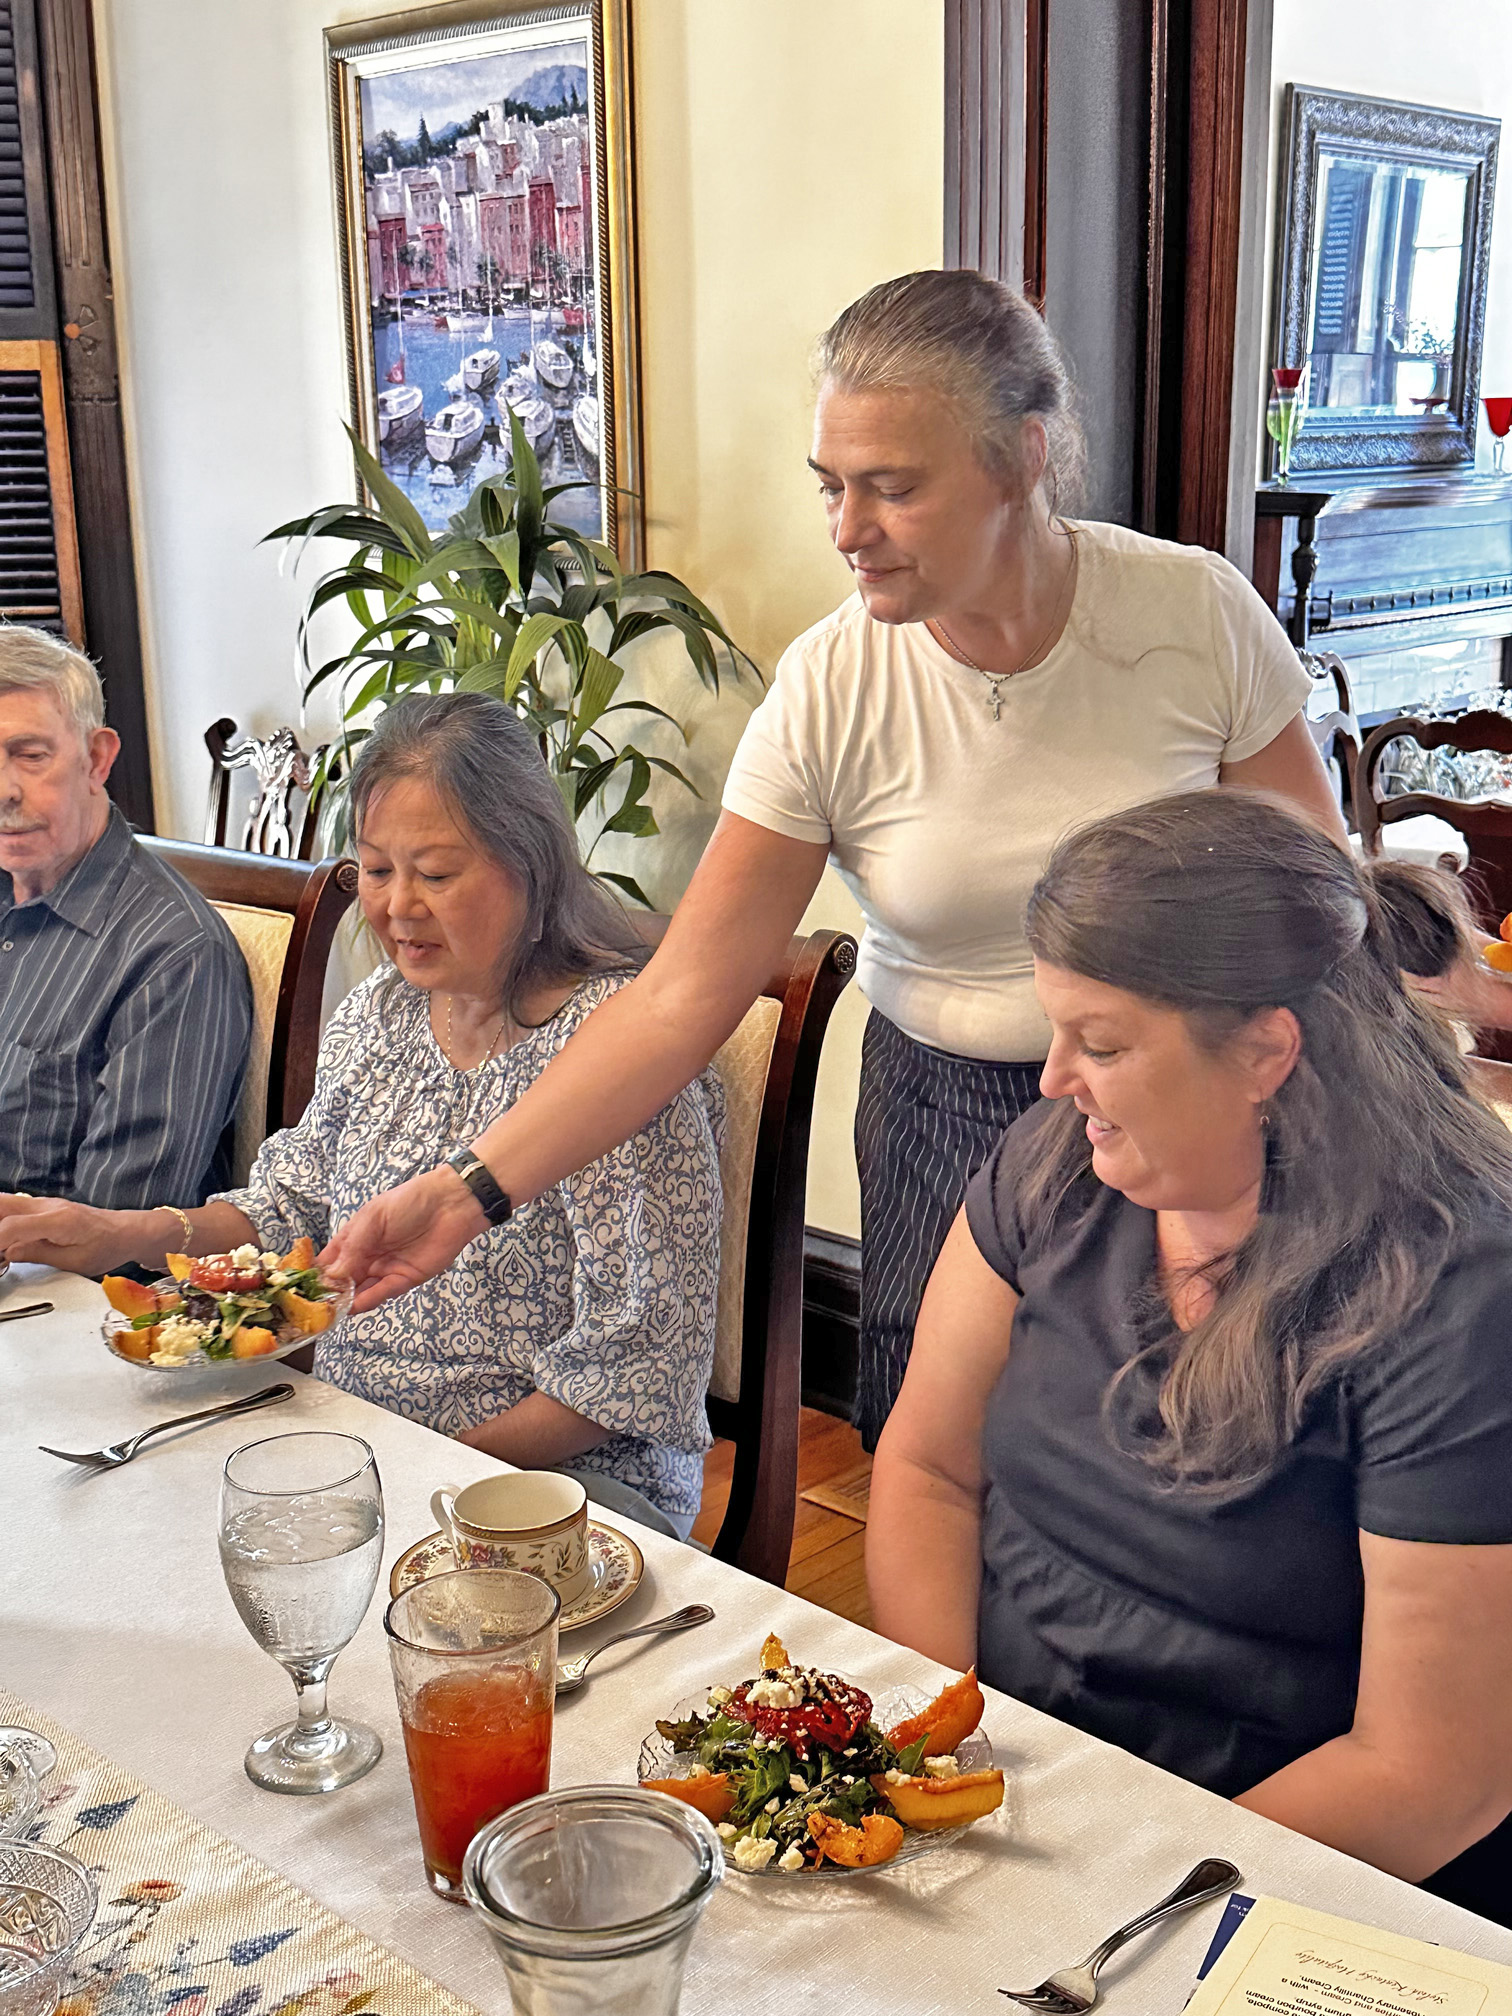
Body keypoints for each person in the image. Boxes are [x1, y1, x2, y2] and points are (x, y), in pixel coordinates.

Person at [320, 268, 1342, 1451]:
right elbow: (680, 1001)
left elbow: (1321, 914)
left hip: (1183, 1110)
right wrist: (469, 1190)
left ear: (1019, 459)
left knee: (1184, 1458)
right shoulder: (833, 684)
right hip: (942, 1113)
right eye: (832, 488)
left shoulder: (1194, 615)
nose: (850, 530)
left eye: (892, 489)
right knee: (939, 1460)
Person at [865, 789, 1512, 1920]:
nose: (1055, 1078)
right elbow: (926, 1470)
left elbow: (1429, 1778)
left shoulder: (1459, 1297)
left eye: (1101, 1044)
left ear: (1266, 1050)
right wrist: (941, 1748)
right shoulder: (1056, 1163)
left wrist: (1111, 1885)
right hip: (1014, 1783)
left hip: (1276, 1865)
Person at [0, 693, 724, 1540]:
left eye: (438, 874)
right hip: (356, 1437)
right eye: (377, 871)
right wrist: (115, 1232)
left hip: (558, 1485)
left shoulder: (622, 1061)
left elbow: (628, 1367)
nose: (397, 908)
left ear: (530, 864)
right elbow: (287, 1212)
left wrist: (418, 1472)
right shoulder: (382, 1012)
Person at [0, 625, 250, 1210]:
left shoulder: (175, 955)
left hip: (63, 1290)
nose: (4, 791)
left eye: (30, 756)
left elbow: (121, 1232)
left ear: (97, 758)